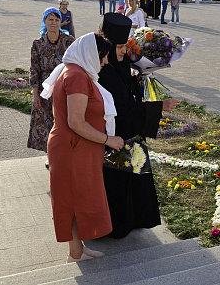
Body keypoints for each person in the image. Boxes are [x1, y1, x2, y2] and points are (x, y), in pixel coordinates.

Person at [41, 32, 124, 263]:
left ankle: (77, 249)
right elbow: (76, 122)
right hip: (72, 148)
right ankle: (75, 254)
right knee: (72, 199)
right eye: (102, 57)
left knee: (77, 197)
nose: (105, 62)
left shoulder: (78, 72)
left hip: (76, 148)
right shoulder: (76, 76)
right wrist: (109, 139)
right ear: (90, 54)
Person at [98, 13, 180, 239]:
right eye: (120, 47)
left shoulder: (119, 64)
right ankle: (118, 226)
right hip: (116, 137)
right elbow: (124, 108)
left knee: (133, 178)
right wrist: (159, 106)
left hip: (129, 136)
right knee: (119, 181)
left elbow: (126, 91)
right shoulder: (104, 71)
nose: (124, 52)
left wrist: (139, 78)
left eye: (126, 46)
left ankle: (135, 219)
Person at [27, 8, 75, 168]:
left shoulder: (69, 41)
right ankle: (51, 156)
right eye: (50, 20)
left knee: (65, 123)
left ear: (60, 22)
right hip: (44, 91)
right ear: (45, 22)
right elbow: (34, 70)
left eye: (56, 20)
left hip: (64, 89)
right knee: (48, 124)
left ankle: (67, 154)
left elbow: (75, 64)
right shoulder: (37, 44)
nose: (54, 23)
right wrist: (35, 94)